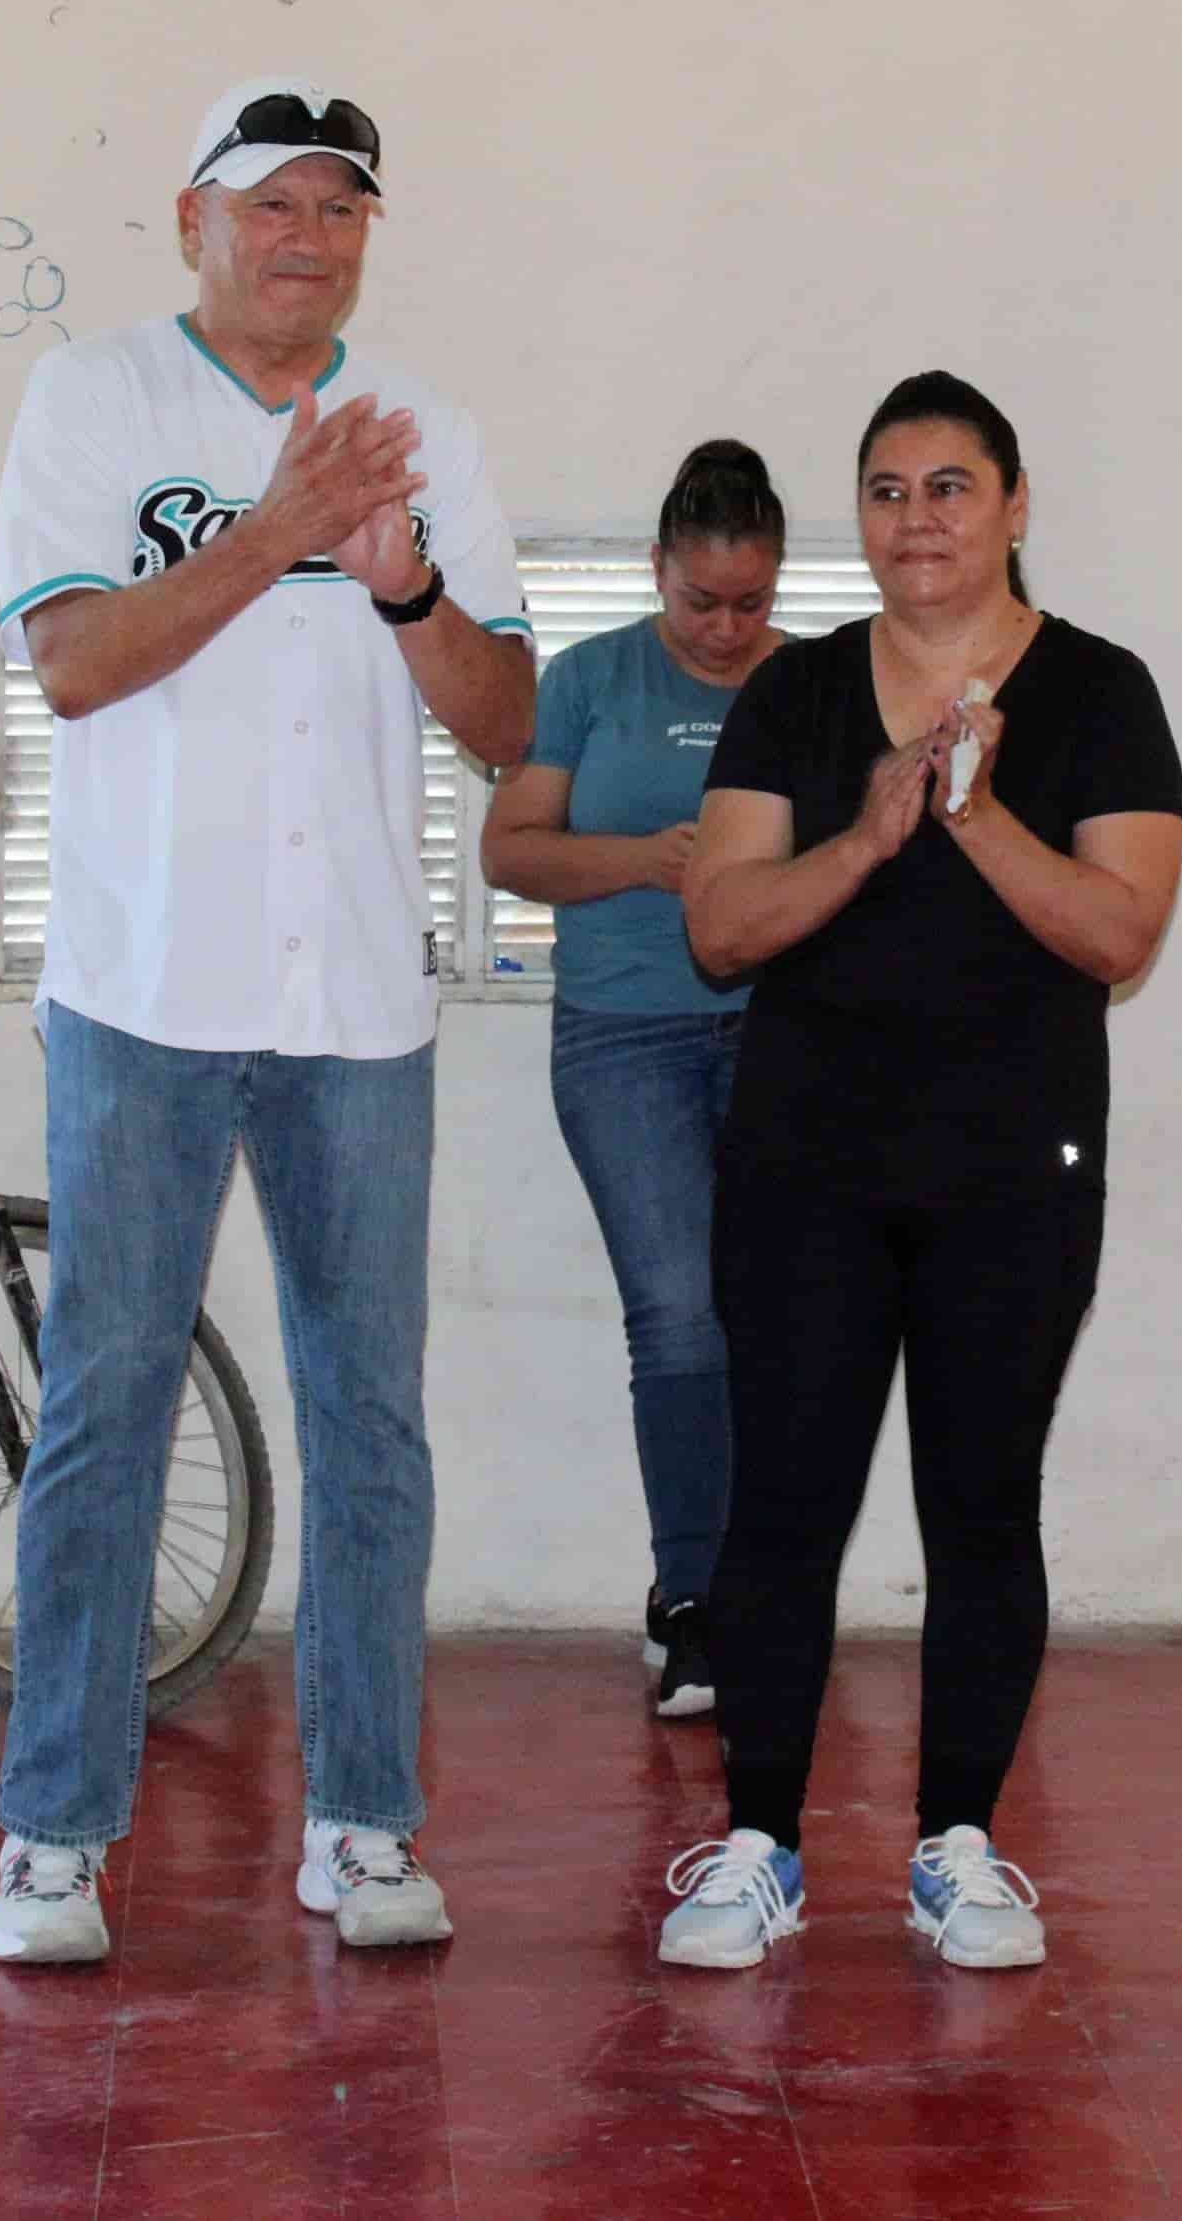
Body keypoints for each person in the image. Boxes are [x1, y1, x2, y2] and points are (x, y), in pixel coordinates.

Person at [0, 79, 532, 1964]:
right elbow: (70, 662)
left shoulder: (431, 432)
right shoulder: (93, 399)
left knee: (370, 1418)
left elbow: (508, 722)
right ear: (190, 216)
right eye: (271, 203)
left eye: (339, 208)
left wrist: (409, 580)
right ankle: (56, 1831)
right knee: (107, 1408)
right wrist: (280, 522)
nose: (308, 235)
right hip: (143, 993)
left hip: (358, 1001)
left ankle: (366, 1821)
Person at [655, 372, 1182, 1974]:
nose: (918, 519)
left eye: (950, 487)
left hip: (1013, 1169)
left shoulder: (1102, 691)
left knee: (981, 1504)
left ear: (1016, 505)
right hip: (805, 1163)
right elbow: (719, 925)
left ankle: (960, 1844)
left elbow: (1122, 932)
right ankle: (760, 1847)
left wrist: (975, 814)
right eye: (887, 491)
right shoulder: (799, 696)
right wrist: (870, 836)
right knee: (784, 1509)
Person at [479, 441, 790, 1720]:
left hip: (784, 1032)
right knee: (676, 1313)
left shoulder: (820, 682)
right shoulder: (588, 678)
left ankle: (768, 1588)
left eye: (750, 601)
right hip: (622, 1035)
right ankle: (689, 1601)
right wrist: (649, 862)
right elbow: (510, 849)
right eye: (700, 600)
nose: (724, 629)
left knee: (779, 1319)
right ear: (657, 569)